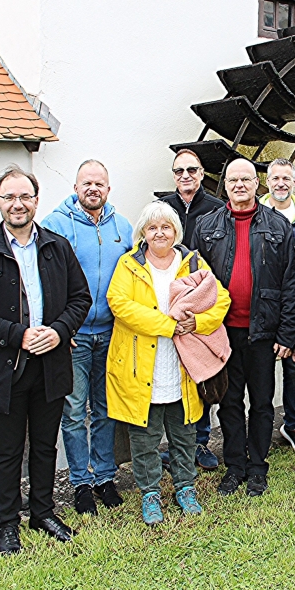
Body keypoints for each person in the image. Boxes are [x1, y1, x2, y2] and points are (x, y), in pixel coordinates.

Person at [0, 166, 92, 555]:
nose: (17, 204)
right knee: (7, 449)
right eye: (9, 197)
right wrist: (18, 335)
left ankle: (43, 512)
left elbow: (80, 298)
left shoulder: (56, 246)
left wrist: (59, 330)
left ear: (36, 200)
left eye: (25, 196)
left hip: (50, 362)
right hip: (6, 367)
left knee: (46, 445)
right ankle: (7, 522)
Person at [106, 201, 230, 525]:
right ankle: (150, 493)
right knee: (144, 437)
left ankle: (185, 487)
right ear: (143, 233)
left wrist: (197, 323)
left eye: (166, 227)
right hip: (141, 364)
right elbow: (119, 304)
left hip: (182, 364)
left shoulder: (191, 263)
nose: (159, 233)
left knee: (184, 432)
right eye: (152, 227)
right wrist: (168, 325)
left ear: (176, 231)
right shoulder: (128, 265)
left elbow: (221, 299)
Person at [193, 159, 295, 497]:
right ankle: (234, 465)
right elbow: (195, 282)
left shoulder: (278, 225)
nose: (239, 185)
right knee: (229, 401)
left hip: (263, 332)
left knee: (263, 402)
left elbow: (290, 282)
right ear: (224, 185)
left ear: (258, 183)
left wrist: (286, 333)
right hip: (223, 332)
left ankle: (258, 467)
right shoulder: (206, 226)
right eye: (233, 180)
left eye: (246, 179)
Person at [41, 160, 133, 515]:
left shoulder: (121, 227)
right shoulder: (55, 225)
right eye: (86, 183)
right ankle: (81, 482)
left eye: (100, 183)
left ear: (108, 189)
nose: (93, 188)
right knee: (75, 411)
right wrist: (60, 328)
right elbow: (44, 280)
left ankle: (105, 477)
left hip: (111, 333)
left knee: (107, 410)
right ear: (76, 187)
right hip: (75, 336)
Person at [160, 148, 224, 470]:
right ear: (174, 176)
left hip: (201, 304)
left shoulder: (216, 209)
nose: (185, 176)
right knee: (173, 380)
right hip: (168, 308)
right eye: (179, 171)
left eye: (192, 170)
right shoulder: (162, 209)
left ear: (201, 174)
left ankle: (200, 443)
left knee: (201, 375)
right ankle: (175, 445)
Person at [259, 158, 295, 454]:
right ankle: (261, 427)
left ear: (294, 182)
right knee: (262, 369)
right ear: (267, 182)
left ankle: (294, 424)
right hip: (264, 303)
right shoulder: (255, 212)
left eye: (286, 179)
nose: (281, 183)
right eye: (275, 178)